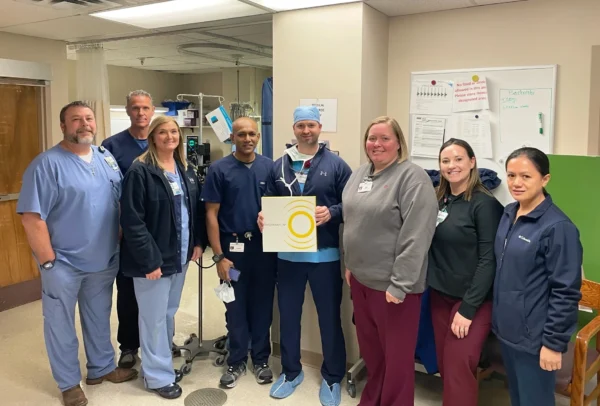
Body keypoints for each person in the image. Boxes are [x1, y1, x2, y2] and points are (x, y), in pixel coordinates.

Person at [17, 101, 138, 406]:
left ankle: (101, 368)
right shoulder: (46, 164)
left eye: (88, 118)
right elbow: (31, 217)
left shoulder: (105, 157)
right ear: (63, 126)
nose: (84, 124)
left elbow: (117, 200)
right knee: (60, 324)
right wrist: (48, 261)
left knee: (99, 317)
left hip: (103, 259)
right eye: (76, 120)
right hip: (63, 263)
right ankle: (69, 383)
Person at [258, 105, 351, 406]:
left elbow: (353, 205)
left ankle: (333, 376)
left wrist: (333, 211)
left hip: (324, 257)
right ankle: (291, 371)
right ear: (294, 128)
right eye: (301, 125)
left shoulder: (336, 165)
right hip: (288, 258)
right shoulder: (278, 166)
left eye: (311, 125)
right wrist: (263, 218)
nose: (306, 130)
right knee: (288, 317)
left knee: (329, 319)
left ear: (320, 127)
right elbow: (270, 203)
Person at [342, 116, 438, 406]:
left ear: (398, 143)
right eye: (372, 138)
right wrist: (350, 264)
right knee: (372, 354)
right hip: (360, 281)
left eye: (385, 138)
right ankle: (372, 400)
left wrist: (400, 285)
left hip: (394, 289)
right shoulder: (359, 174)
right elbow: (352, 222)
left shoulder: (412, 178)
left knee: (397, 361)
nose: (377, 144)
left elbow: (417, 236)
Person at [119, 115, 206, 400]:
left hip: (179, 256)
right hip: (153, 262)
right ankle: (157, 377)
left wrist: (196, 242)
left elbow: (192, 211)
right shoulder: (140, 171)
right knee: (154, 318)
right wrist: (149, 260)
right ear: (152, 137)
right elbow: (133, 221)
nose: (170, 136)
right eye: (163, 132)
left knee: (167, 313)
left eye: (174, 132)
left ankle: (160, 363)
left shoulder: (184, 169)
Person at [493, 147, 583, 406]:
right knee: (519, 398)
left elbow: (565, 291)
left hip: (535, 339)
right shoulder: (510, 213)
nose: (516, 183)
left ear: (545, 179)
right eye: (511, 175)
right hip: (508, 331)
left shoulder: (558, 228)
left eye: (526, 176)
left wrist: (554, 344)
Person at [427, 138, 504, 406]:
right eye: (445, 161)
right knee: (446, 364)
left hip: (473, 300)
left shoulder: (484, 205)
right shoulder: (439, 199)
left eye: (459, 159)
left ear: (472, 162)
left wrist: (468, 309)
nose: (452, 165)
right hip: (440, 295)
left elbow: (489, 261)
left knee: (459, 365)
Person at [202, 117, 277, 389]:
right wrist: (220, 257)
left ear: (258, 137)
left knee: (262, 307)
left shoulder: (270, 167)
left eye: (252, 134)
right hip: (232, 253)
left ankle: (260, 360)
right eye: (241, 134)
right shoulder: (219, 170)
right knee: (234, 307)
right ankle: (236, 361)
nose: (248, 139)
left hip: (264, 251)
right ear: (232, 137)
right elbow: (211, 214)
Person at [101, 89, 155, 369]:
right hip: (128, 232)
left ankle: (157, 341)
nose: (141, 113)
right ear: (127, 111)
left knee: (160, 291)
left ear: (153, 110)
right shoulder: (112, 146)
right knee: (128, 290)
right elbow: (105, 189)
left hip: (159, 231)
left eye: (145, 108)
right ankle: (129, 346)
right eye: (135, 108)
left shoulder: (162, 142)